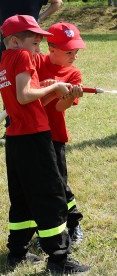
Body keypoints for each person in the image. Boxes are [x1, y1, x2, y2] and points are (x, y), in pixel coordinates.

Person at [0, 14, 90, 274]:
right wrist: (53, 89)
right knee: (50, 196)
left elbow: (21, 98)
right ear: (16, 41)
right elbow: (25, 95)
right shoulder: (24, 56)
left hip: (15, 137)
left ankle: (17, 253)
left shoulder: (6, 59)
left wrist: (50, 90)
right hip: (35, 136)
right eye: (35, 43)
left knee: (22, 198)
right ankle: (59, 260)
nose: (38, 49)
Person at [33, 22, 87, 246]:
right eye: (69, 52)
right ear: (51, 48)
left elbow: (59, 109)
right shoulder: (35, 62)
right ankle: (45, 229)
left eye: (76, 51)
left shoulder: (73, 73)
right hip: (30, 133)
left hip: (54, 135)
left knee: (58, 183)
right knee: (38, 183)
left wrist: (69, 95)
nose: (74, 55)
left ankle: (73, 223)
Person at [0, 0, 63, 140]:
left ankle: (34, 123)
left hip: (30, 47)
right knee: (9, 86)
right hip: (6, 47)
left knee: (30, 84)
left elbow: (57, 2)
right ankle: (11, 125)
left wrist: (39, 19)